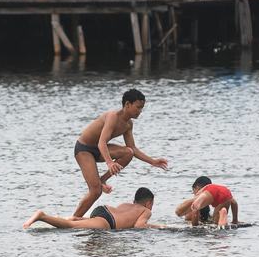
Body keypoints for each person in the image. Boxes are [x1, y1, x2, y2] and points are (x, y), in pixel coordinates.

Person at [71, 88, 168, 219]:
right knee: (95, 191)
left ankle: (102, 179)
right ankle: (73, 220)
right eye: (138, 107)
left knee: (128, 152)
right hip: (84, 149)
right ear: (127, 104)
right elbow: (101, 142)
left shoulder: (128, 124)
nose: (140, 111)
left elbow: (132, 147)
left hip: (100, 150)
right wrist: (110, 162)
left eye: (142, 108)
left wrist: (152, 161)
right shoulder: (113, 117)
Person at [22, 187, 166, 230]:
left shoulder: (127, 204)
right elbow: (139, 225)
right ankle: (42, 216)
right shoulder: (145, 211)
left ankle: (78, 218)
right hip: (108, 221)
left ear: (134, 200)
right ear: (148, 203)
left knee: (89, 222)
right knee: (70, 226)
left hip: (103, 210)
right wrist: (159, 226)